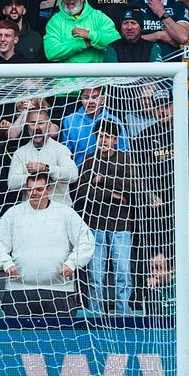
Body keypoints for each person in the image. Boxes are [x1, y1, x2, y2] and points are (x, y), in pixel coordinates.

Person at [0, 172, 95, 316]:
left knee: (61, 338)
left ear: (49, 190)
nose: (34, 193)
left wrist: (72, 263)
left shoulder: (65, 213)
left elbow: (86, 240)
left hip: (59, 290)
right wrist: (6, 263)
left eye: (39, 189)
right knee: (17, 338)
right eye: (30, 189)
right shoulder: (13, 213)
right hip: (18, 290)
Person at [72, 122, 135, 315]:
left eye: (108, 136)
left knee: (123, 271)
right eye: (100, 136)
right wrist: (112, 195)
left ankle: (123, 311)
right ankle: (95, 312)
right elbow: (81, 191)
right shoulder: (90, 161)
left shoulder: (126, 159)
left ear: (116, 140)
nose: (103, 140)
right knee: (95, 274)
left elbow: (133, 185)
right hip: (95, 224)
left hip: (121, 224)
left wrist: (102, 180)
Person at [43, 0, 118, 63]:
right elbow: (51, 53)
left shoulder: (98, 16)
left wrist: (90, 35)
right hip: (67, 76)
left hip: (96, 75)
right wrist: (84, 44)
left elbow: (114, 39)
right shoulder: (55, 21)